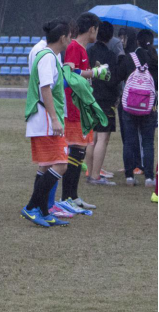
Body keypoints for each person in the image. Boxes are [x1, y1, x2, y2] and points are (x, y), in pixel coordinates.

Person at [22, 18, 73, 228]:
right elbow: (45, 88)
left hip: (44, 119)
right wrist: (54, 119)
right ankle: (31, 207)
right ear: (62, 38)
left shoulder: (50, 56)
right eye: (69, 36)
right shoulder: (47, 57)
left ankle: (42, 211)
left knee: (45, 166)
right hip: (45, 120)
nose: (70, 40)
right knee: (61, 164)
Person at [58, 12, 110, 214]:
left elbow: (81, 76)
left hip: (82, 109)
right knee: (75, 152)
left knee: (79, 154)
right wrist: (95, 73)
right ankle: (66, 198)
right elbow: (70, 74)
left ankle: (74, 197)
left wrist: (94, 73)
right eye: (97, 29)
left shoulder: (82, 49)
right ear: (92, 29)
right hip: (74, 109)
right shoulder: (74, 47)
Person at [117, 29, 158, 188]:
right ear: (152, 42)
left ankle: (129, 176)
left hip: (129, 106)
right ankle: (149, 178)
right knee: (148, 142)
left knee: (129, 141)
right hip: (149, 107)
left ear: (137, 42)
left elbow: (117, 77)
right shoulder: (154, 59)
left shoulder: (130, 58)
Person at [86, 22, 120, 186]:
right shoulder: (111, 56)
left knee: (92, 137)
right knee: (102, 138)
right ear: (111, 36)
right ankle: (95, 176)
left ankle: (90, 172)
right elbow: (113, 80)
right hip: (105, 100)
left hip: (90, 98)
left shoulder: (88, 52)